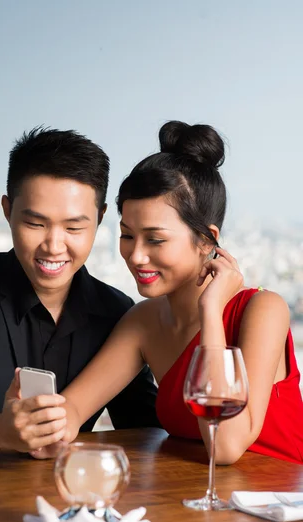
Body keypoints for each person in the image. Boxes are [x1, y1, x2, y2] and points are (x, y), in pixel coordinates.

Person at [16, 120, 303, 465]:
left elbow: (224, 447)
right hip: (198, 506)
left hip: (280, 507)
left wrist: (211, 312)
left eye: (155, 239)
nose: (136, 255)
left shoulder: (262, 310)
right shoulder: (145, 321)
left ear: (206, 240)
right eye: (127, 235)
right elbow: (74, 408)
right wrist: (36, 423)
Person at [0, 127, 159, 464]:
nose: (54, 246)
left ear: (99, 220)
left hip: (72, 501)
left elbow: (148, 429)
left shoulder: (116, 312)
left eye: (73, 228)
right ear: (8, 210)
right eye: (36, 224)